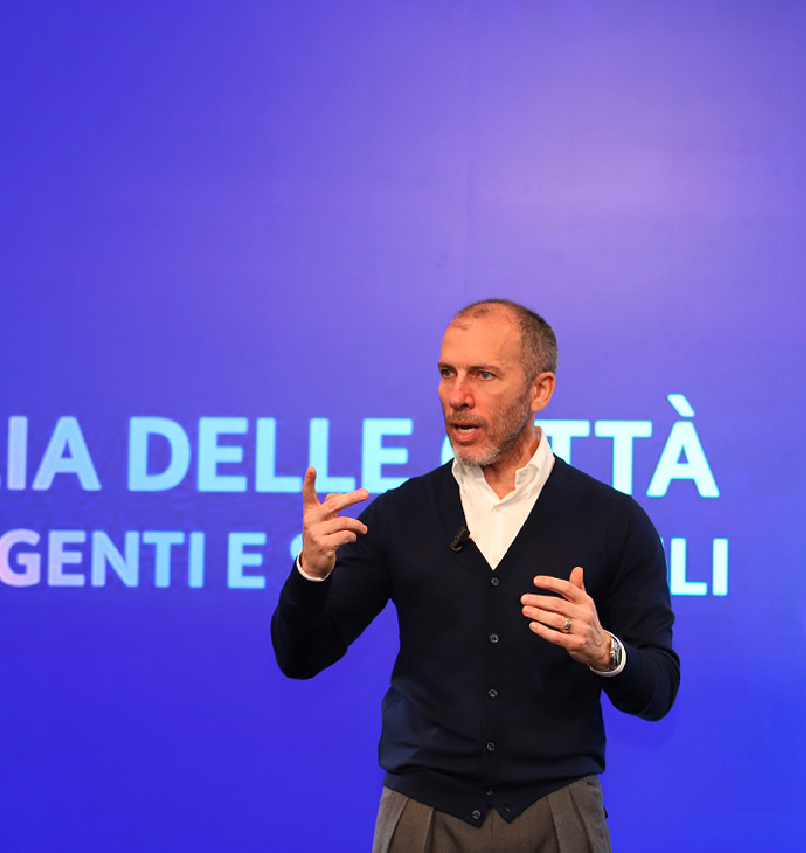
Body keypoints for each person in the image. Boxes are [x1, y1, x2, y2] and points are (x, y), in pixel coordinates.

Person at [271, 299, 679, 853]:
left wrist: (605, 651)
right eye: (448, 373)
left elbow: (658, 690)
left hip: (556, 813)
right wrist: (310, 574)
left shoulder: (613, 521)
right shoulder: (400, 515)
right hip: (422, 816)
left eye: (484, 375)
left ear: (539, 390)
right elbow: (299, 657)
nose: (457, 396)